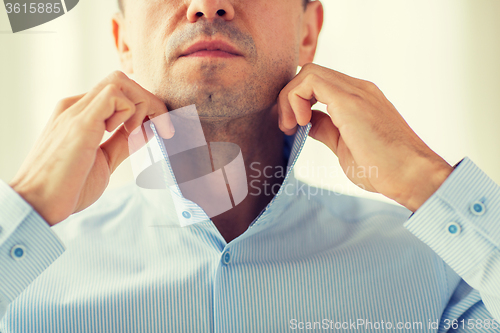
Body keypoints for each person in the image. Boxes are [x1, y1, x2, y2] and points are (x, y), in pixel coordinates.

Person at [1, 0, 499, 331]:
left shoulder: (441, 272)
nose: (208, 3)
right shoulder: (22, 281)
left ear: (309, 30)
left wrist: (430, 182)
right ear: (123, 41)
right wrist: (24, 209)